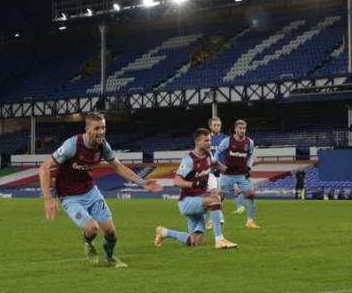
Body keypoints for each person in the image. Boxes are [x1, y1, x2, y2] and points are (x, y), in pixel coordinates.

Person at [39, 112, 161, 267]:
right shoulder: (73, 145)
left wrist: (142, 182)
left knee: (111, 232)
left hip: (90, 191)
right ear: (87, 129)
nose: (101, 132)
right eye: (97, 128)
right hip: (69, 196)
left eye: (103, 127)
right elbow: (44, 167)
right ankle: (87, 241)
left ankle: (110, 259)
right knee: (92, 229)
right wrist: (48, 198)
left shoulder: (103, 146)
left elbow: (117, 166)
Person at [155, 128, 238, 250]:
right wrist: (193, 184)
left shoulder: (209, 155)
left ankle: (164, 232)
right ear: (197, 142)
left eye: (210, 140)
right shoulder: (189, 160)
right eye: (206, 141)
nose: (210, 143)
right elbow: (176, 181)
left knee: (195, 242)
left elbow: (218, 165)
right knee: (215, 199)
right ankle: (220, 239)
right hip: (187, 202)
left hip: (199, 201)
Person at [215, 119, 260, 229]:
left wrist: (249, 167)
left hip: (241, 175)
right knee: (220, 197)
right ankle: (215, 218)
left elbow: (251, 155)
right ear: (235, 129)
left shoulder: (249, 142)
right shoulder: (227, 141)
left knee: (251, 195)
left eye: (244, 128)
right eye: (240, 128)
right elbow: (217, 153)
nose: (242, 130)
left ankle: (250, 221)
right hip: (228, 174)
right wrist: (217, 165)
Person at [206, 117, 228, 229]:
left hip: (223, 169)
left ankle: (216, 215)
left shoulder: (225, 139)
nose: (217, 127)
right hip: (210, 171)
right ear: (210, 126)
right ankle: (215, 218)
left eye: (219, 125)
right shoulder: (206, 139)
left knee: (222, 195)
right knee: (214, 194)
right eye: (215, 125)